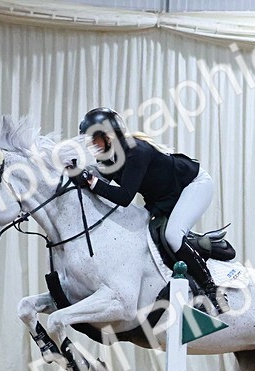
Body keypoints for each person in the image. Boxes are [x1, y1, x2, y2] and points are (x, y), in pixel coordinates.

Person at [71, 107, 224, 311]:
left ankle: (212, 291)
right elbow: (100, 182)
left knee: (172, 236)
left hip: (194, 185)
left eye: (93, 139)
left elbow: (124, 197)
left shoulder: (136, 151)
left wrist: (90, 182)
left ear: (109, 136)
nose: (91, 146)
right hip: (165, 197)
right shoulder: (108, 157)